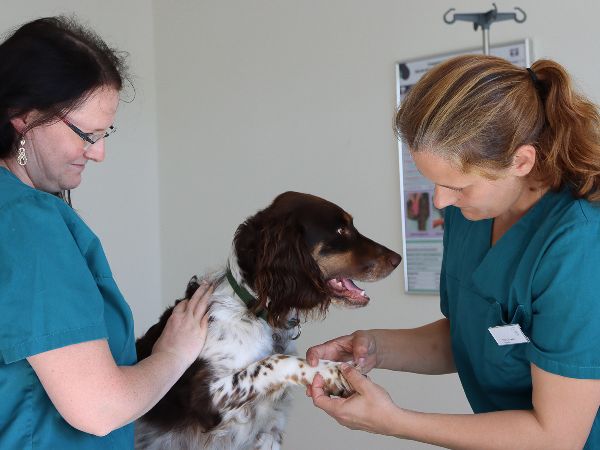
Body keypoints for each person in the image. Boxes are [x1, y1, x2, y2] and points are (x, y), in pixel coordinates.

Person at [307, 54, 600, 449]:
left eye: (457, 186)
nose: (440, 201)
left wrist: (394, 422)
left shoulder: (579, 246)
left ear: (521, 161)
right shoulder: (470, 213)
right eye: (433, 183)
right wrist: (375, 347)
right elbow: (473, 335)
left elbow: (557, 437)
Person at [0, 16, 212, 448]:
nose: (98, 153)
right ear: (24, 117)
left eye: (104, 133)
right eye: (87, 134)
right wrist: (174, 353)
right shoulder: (28, 223)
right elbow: (98, 409)